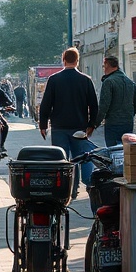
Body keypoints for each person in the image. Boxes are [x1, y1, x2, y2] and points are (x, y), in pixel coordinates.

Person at [38, 47, 98, 198]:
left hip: (59, 127)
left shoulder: (54, 79)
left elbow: (46, 104)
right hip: (79, 127)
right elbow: (94, 105)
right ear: (78, 61)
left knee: (61, 160)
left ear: (63, 60)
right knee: (79, 158)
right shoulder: (86, 80)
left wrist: (43, 125)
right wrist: (91, 125)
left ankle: (65, 188)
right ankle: (79, 187)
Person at [97, 55, 136, 147]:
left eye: (103, 66)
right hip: (128, 122)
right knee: (126, 150)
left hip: (113, 123)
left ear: (107, 65)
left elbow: (104, 106)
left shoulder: (108, 82)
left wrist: (96, 123)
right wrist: (130, 114)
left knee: (113, 150)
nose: (103, 69)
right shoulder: (129, 82)